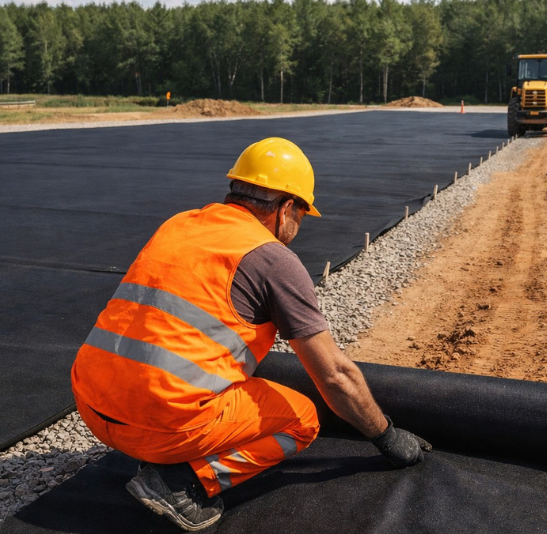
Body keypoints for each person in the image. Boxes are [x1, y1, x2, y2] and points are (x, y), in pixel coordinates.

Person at [71, 137, 431, 531]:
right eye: (302, 215)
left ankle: (166, 448)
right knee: (303, 419)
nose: (299, 226)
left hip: (91, 407)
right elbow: (335, 376)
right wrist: (387, 437)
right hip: (156, 427)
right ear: (287, 208)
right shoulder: (273, 260)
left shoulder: (179, 224)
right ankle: (179, 482)